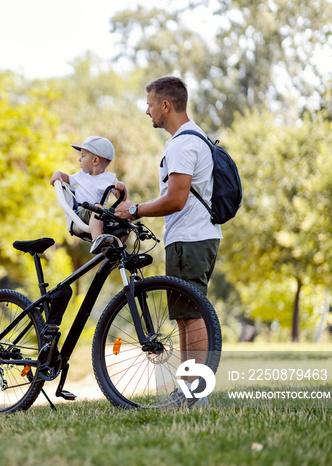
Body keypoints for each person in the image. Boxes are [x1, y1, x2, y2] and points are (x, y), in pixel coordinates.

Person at [114, 76, 222, 403]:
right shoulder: (186, 140)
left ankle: (195, 392)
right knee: (186, 316)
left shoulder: (184, 143)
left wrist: (135, 209)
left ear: (165, 105)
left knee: (194, 315)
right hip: (187, 238)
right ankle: (187, 389)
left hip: (192, 238)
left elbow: (176, 199)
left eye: (149, 105)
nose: (147, 112)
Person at [50, 136, 126, 254]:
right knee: (98, 208)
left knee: (127, 209)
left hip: (101, 215)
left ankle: (120, 248)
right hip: (82, 213)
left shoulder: (110, 178)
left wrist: (121, 187)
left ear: (95, 161)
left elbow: (123, 198)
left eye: (83, 156)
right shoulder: (81, 176)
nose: (79, 160)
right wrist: (57, 173)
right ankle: (97, 240)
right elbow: (66, 178)